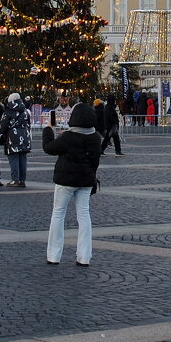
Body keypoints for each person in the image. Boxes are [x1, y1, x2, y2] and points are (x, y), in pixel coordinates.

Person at [43, 102, 102, 266]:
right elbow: (95, 161)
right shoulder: (94, 137)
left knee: (58, 214)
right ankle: (84, 257)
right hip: (85, 180)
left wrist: (48, 129)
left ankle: (54, 255)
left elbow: (48, 148)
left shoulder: (68, 137)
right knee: (84, 216)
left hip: (65, 181)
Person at [0, 92, 33, 187]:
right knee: (23, 159)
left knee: (13, 158)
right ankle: (22, 180)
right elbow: (29, 124)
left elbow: (4, 126)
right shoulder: (25, 111)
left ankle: (15, 180)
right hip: (25, 137)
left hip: (13, 137)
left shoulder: (9, 111)